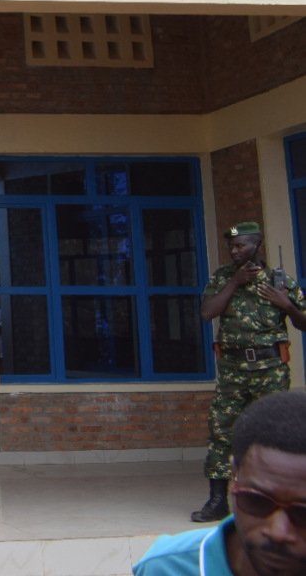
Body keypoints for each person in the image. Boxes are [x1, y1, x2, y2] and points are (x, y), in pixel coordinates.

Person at [191, 222, 306, 523]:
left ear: (257, 245)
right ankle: (217, 501)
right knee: (222, 431)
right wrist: (234, 283)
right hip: (232, 370)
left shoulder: (280, 281)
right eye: (232, 246)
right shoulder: (223, 278)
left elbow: (303, 322)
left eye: (241, 245)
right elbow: (207, 313)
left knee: (276, 433)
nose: (234, 250)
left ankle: (281, 497)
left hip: (270, 369)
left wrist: (288, 306)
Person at [135, 390, 306, 576]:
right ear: (234, 476)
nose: (278, 532)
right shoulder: (167, 568)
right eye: (257, 501)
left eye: (302, 513)